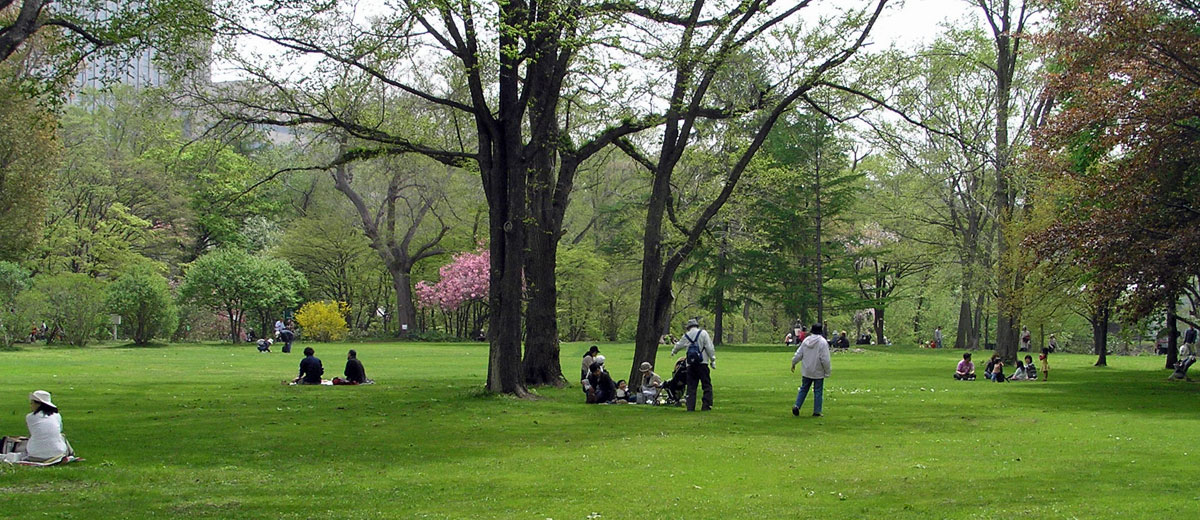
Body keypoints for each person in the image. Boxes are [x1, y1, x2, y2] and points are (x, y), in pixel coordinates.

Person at [3, 391, 74, 464]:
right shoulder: (57, 416)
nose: (31, 406)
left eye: (32, 403)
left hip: (35, 454)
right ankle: (70, 453)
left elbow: (33, 434)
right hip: (57, 454)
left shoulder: (30, 417)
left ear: (38, 404)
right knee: (61, 437)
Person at [671, 318, 716, 411]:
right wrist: (712, 359)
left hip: (690, 364)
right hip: (703, 363)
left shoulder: (686, 336)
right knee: (706, 385)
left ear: (688, 327)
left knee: (691, 387)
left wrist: (673, 352)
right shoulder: (703, 334)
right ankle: (706, 405)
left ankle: (690, 406)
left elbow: (678, 345)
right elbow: (709, 347)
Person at [790, 323, 831, 417]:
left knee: (803, 389)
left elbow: (799, 354)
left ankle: (797, 405)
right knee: (818, 391)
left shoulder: (806, 341)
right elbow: (825, 359)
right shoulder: (822, 342)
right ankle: (817, 411)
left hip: (807, 369)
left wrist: (793, 363)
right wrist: (827, 371)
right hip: (818, 370)